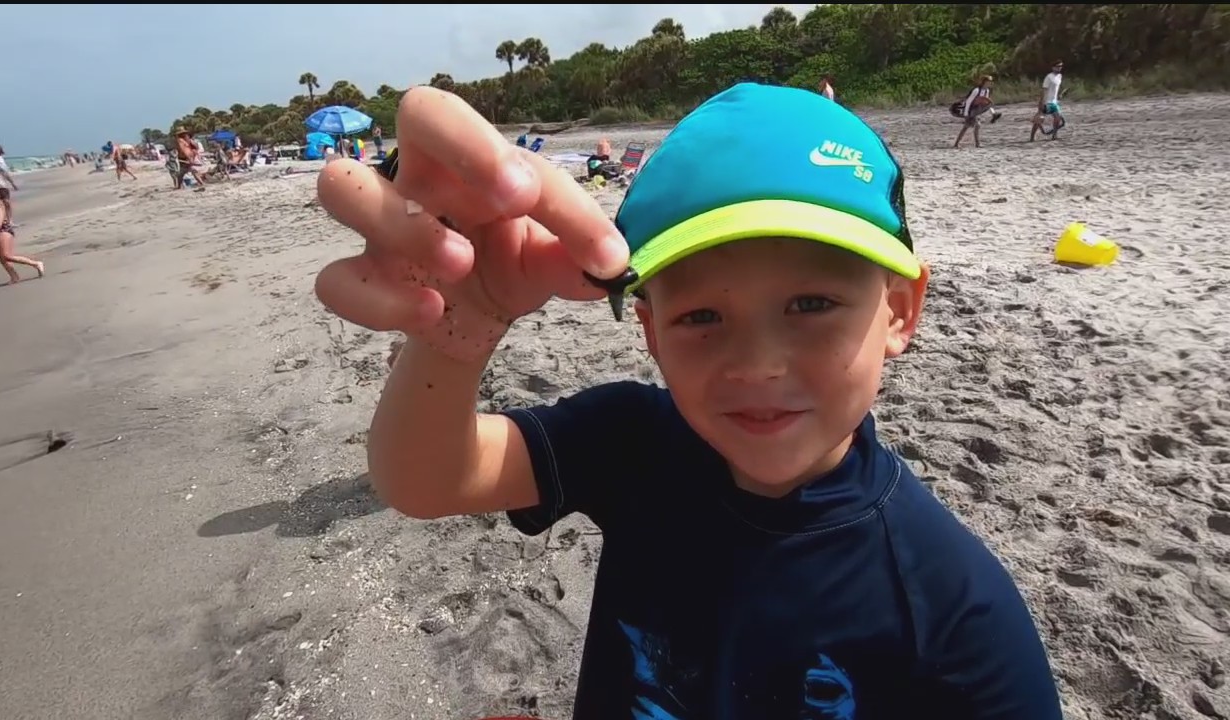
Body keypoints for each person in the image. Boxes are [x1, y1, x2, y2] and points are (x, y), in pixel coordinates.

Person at [312, 83, 1064, 718]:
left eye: (810, 304)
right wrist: (457, 331)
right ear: (651, 333)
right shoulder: (633, 442)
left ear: (900, 310)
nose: (758, 365)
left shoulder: (953, 606)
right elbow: (426, 479)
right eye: (701, 317)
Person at [953, 75, 1003, 148]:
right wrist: (966, 114)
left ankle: (958, 144)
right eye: (989, 81)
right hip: (970, 110)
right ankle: (975, 144)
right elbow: (968, 102)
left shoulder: (987, 91)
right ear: (984, 82)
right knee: (974, 125)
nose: (990, 83)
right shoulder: (976, 90)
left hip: (977, 110)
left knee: (968, 127)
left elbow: (986, 102)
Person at [1030, 60, 1067, 141]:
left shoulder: (1059, 76)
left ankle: (1054, 135)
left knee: (1057, 118)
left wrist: (1059, 96)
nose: (1059, 68)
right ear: (1053, 67)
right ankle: (1032, 137)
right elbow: (1044, 90)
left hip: (1054, 102)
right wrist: (1041, 102)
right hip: (1047, 102)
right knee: (1040, 119)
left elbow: (1056, 89)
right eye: (1057, 66)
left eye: (1060, 66)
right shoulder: (1048, 77)